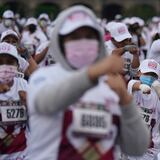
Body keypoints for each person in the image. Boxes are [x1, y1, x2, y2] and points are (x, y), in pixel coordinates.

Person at [27, 5, 150, 160]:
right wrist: (93, 73)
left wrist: (125, 100)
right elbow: (46, 102)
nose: (83, 42)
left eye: (89, 36)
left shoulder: (109, 85)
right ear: (60, 41)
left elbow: (137, 147)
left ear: (98, 41)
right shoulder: (44, 77)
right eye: (75, 37)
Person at [126, 59, 160, 160]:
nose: (150, 78)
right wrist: (142, 86)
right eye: (147, 73)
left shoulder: (157, 96)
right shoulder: (133, 86)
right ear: (139, 73)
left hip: (150, 147)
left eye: (153, 75)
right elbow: (132, 84)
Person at [0, 42, 29, 159]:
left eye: (9, 62)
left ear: (17, 65)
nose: (4, 66)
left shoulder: (23, 84)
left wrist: (29, 104)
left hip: (23, 153)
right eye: (0, 62)